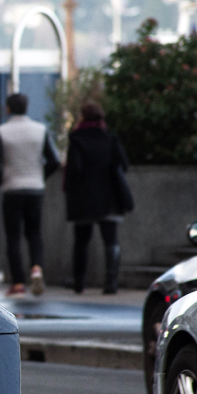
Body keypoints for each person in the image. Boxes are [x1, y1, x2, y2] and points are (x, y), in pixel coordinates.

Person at [0, 93, 60, 296]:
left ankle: (18, 282)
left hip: (12, 188)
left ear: (8, 108)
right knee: (34, 233)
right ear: (26, 107)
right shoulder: (40, 130)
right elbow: (54, 159)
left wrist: (2, 178)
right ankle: (36, 268)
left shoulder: (3, 131)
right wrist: (40, 176)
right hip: (35, 188)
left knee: (13, 236)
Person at [64, 100, 132, 294]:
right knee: (111, 239)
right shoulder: (110, 138)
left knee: (81, 241)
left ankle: (79, 282)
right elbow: (123, 164)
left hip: (84, 198)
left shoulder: (77, 138)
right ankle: (111, 282)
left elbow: (74, 169)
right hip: (109, 197)